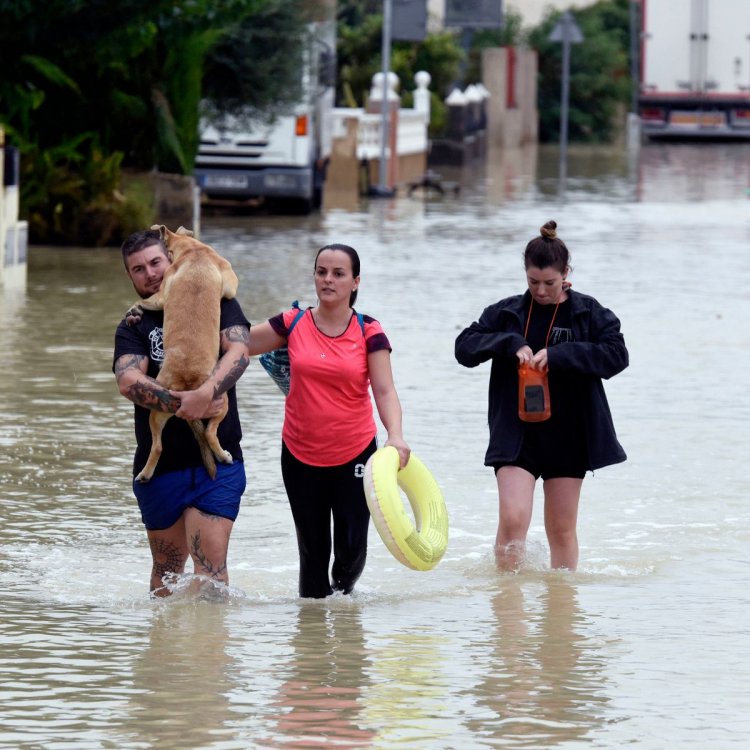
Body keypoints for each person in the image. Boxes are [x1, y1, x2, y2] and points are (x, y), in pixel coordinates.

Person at [455, 220, 628, 572]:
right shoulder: (506, 313)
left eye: (550, 283)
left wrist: (561, 355)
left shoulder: (589, 313)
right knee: (513, 521)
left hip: (569, 435)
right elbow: (464, 348)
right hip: (517, 434)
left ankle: (561, 617)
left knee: (561, 530)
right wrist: (510, 343)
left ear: (566, 274)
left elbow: (616, 356)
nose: (541, 290)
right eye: (533, 282)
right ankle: (507, 611)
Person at [248, 243, 410, 598]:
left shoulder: (369, 330)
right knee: (312, 552)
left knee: (351, 550)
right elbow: (238, 342)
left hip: (355, 454)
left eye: (338, 274)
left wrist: (395, 436)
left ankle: (344, 612)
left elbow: (384, 390)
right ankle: (312, 643)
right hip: (299, 454)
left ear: (355, 282)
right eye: (321, 272)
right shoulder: (293, 323)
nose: (328, 279)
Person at [113, 229, 251, 596]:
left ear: (172, 259)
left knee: (209, 571)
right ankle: (165, 652)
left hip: (218, 465)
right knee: (167, 573)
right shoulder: (134, 323)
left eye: (156, 262)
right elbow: (128, 380)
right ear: (130, 277)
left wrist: (208, 392)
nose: (150, 273)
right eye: (138, 269)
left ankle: (208, 652)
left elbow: (239, 351)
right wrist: (183, 403)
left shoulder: (215, 296)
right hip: (160, 467)